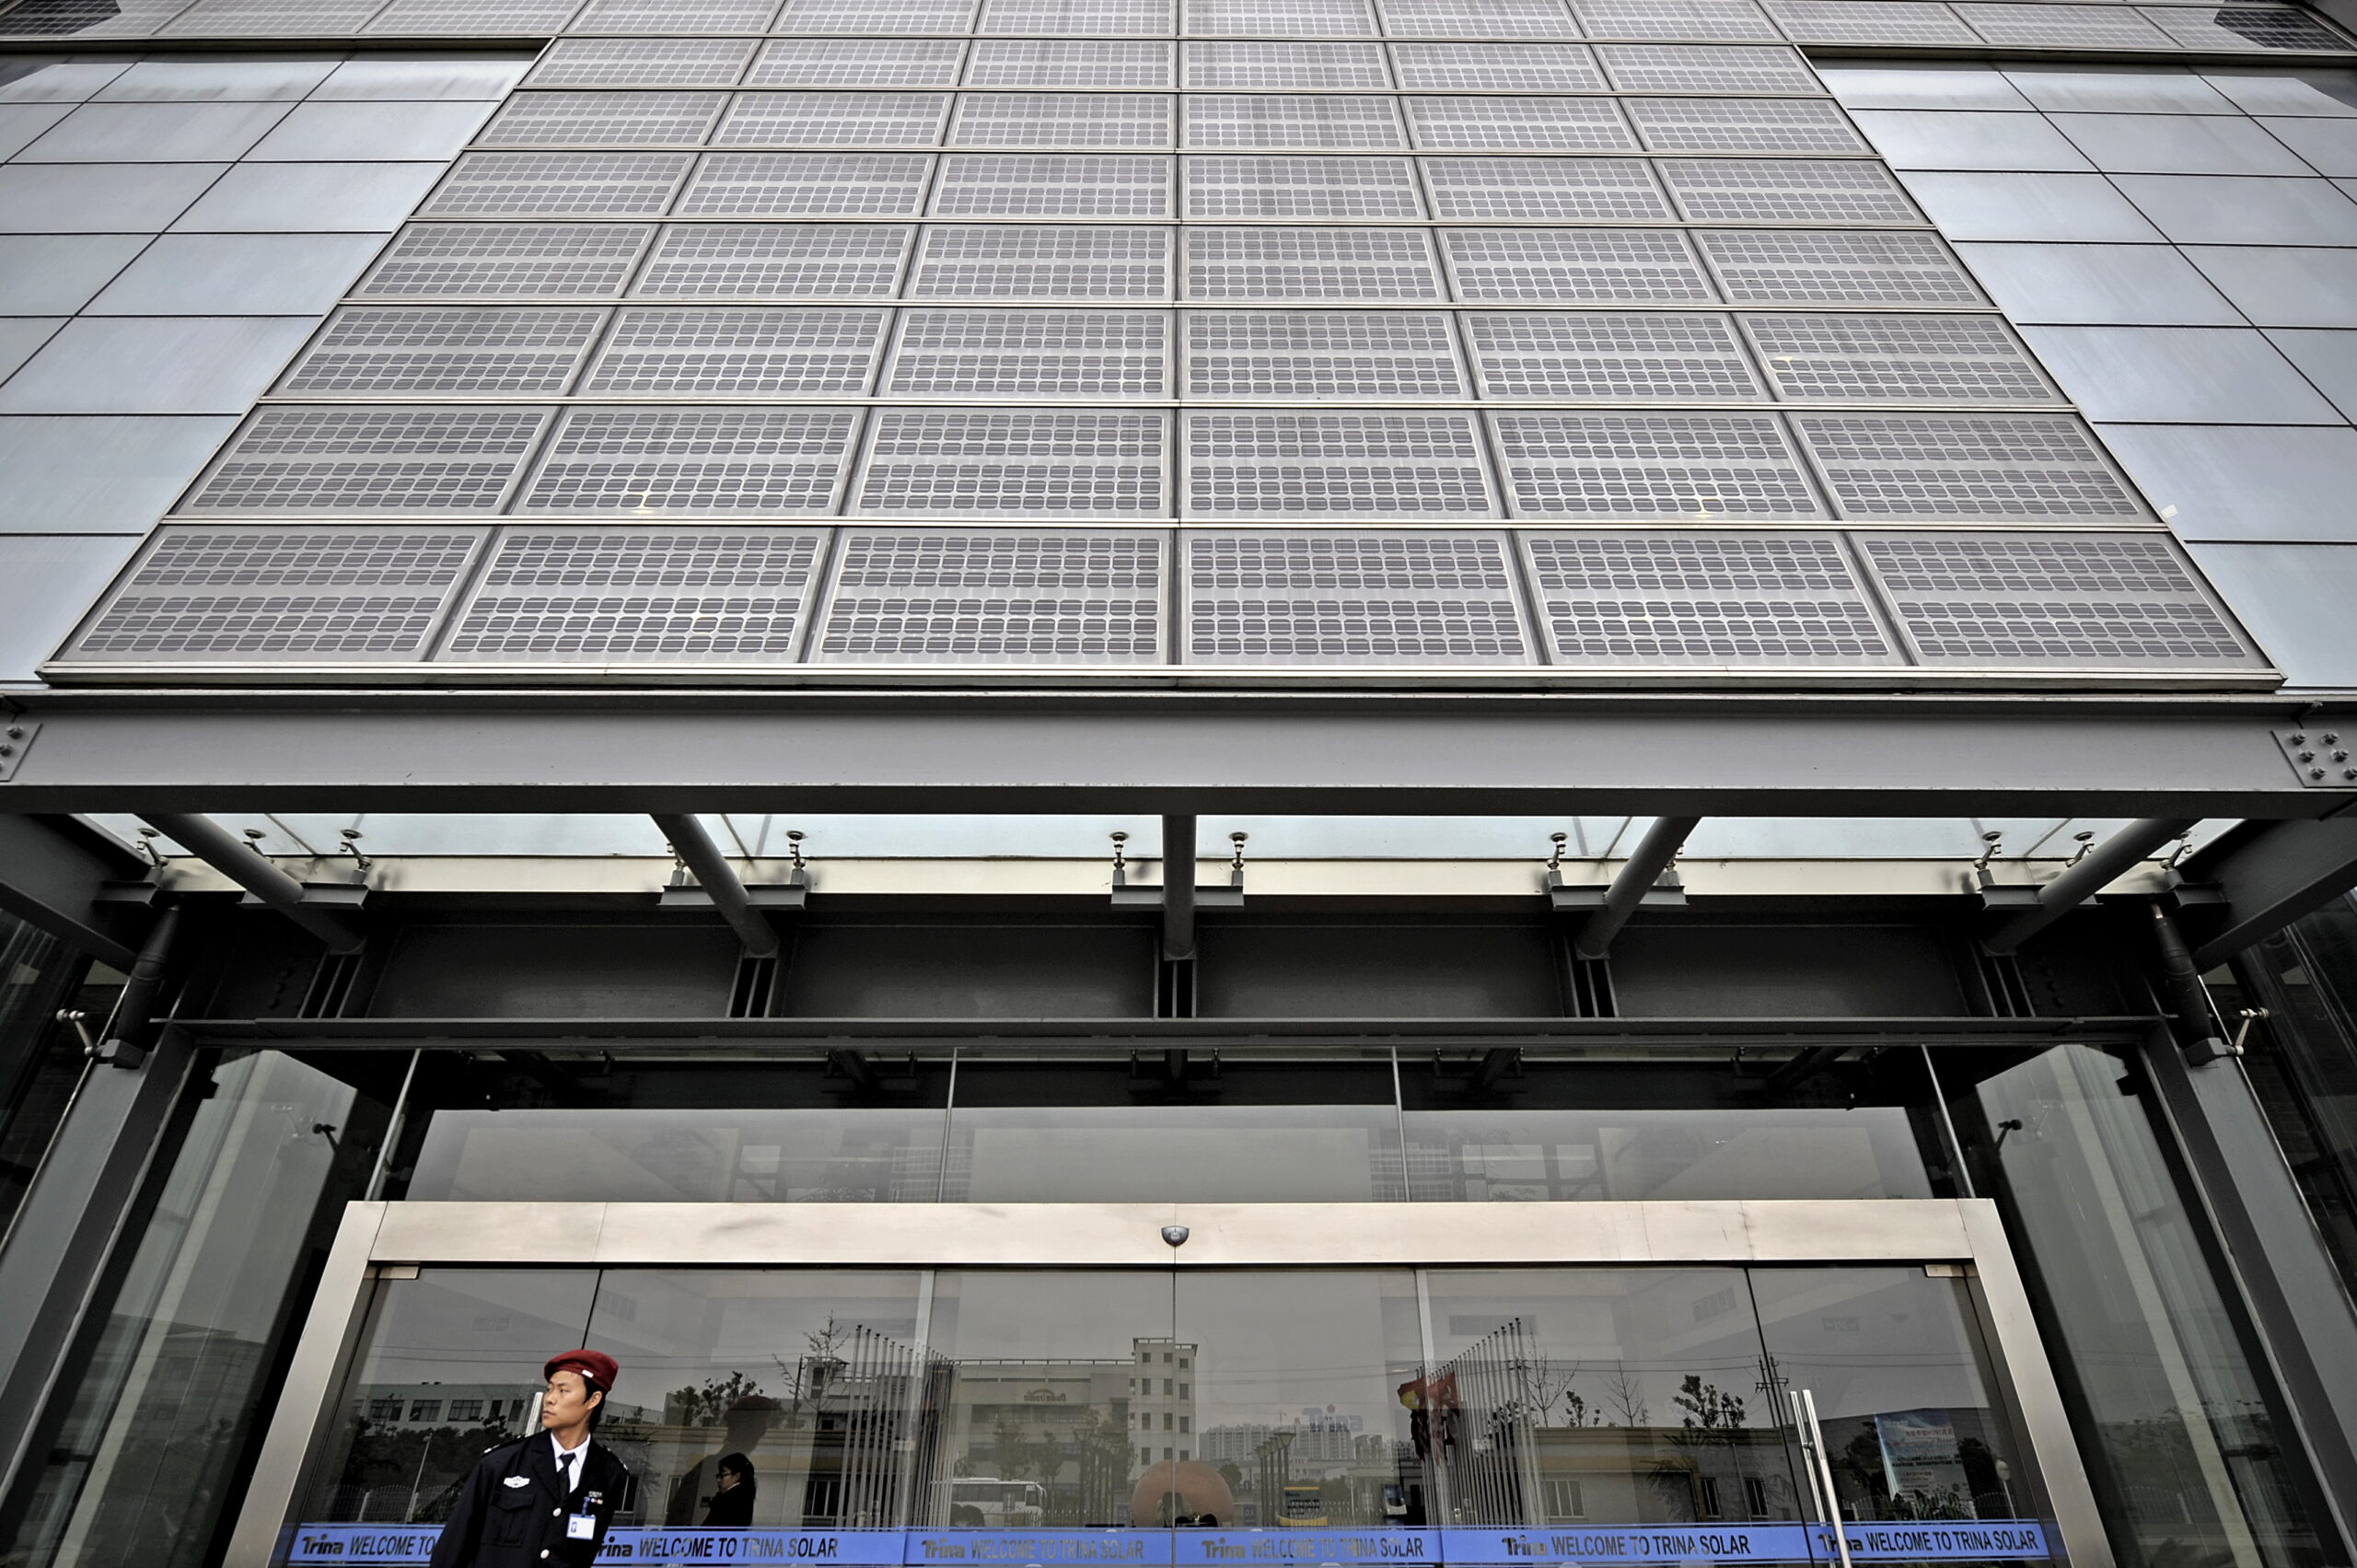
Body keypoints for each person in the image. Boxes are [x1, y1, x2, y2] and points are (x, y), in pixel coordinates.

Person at [427, 1351, 632, 1568]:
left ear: (593, 1399)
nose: (550, 1399)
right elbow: (453, 1548)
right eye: (549, 1389)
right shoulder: (501, 1463)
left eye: (563, 1391)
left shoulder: (609, 1474)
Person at [700, 1453, 756, 1527]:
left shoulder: (730, 1499)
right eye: (718, 1476)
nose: (718, 1480)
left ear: (737, 1476)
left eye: (722, 1475)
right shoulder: (744, 1497)